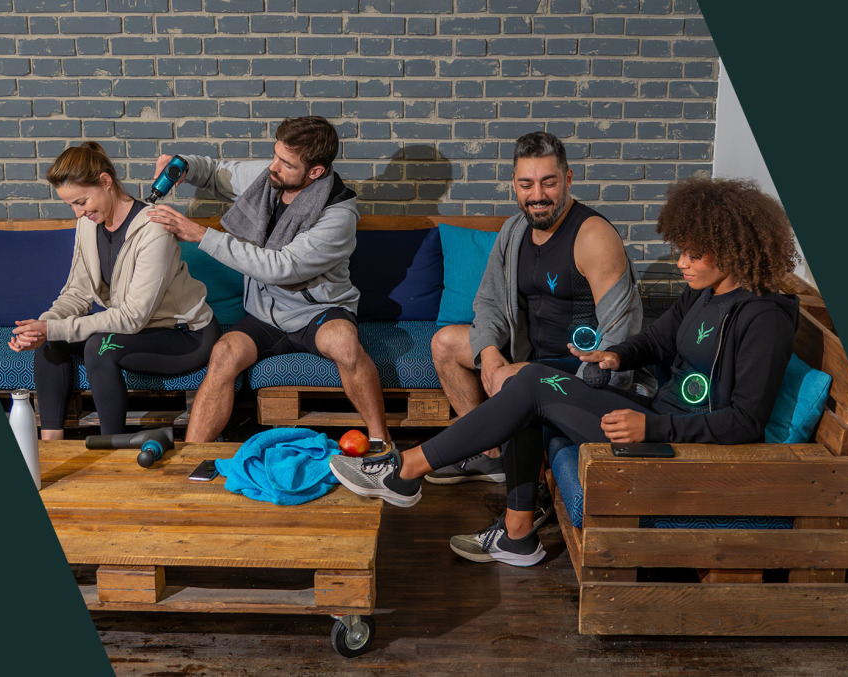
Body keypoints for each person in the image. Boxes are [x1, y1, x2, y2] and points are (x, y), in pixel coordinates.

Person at [330, 176, 801, 568]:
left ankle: (406, 469)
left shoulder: (764, 318)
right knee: (527, 383)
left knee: (529, 381)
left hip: (673, 446)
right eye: (681, 251)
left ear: (733, 250)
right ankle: (515, 537)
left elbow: (745, 421)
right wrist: (616, 355)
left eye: (693, 255)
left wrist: (652, 426)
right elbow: (656, 341)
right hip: (653, 420)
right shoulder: (704, 293)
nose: (681, 263)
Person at [148, 116, 393, 449]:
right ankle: (192, 457)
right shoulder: (271, 177)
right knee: (224, 353)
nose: (272, 167)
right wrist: (186, 166)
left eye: (285, 162)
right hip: (264, 314)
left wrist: (201, 234)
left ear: (315, 172)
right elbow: (219, 173)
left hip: (316, 312)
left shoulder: (338, 216)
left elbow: (282, 267)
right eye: (275, 155)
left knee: (345, 345)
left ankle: (382, 442)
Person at [427, 131, 649, 486]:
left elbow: (621, 335)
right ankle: (491, 457)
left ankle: (517, 474)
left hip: (578, 368)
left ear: (568, 179)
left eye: (549, 183)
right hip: (528, 354)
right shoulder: (514, 230)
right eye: (527, 184)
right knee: (445, 344)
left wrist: (578, 389)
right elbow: (487, 301)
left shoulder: (593, 236)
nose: (538, 196)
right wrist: (488, 351)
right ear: (514, 184)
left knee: (507, 376)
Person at [8, 142, 219, 437]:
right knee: (49, 340)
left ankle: (113, 449)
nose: (78, 212)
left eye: (81, 201)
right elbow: (77, 293)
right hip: (137, 329)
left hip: (184, 334)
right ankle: (51, 448)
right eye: (70, 205)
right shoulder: (87, 225)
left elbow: (132, 317)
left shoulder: (153, 228)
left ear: (106, 182)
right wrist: (41, 327)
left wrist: (52, 327)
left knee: (100, 346)